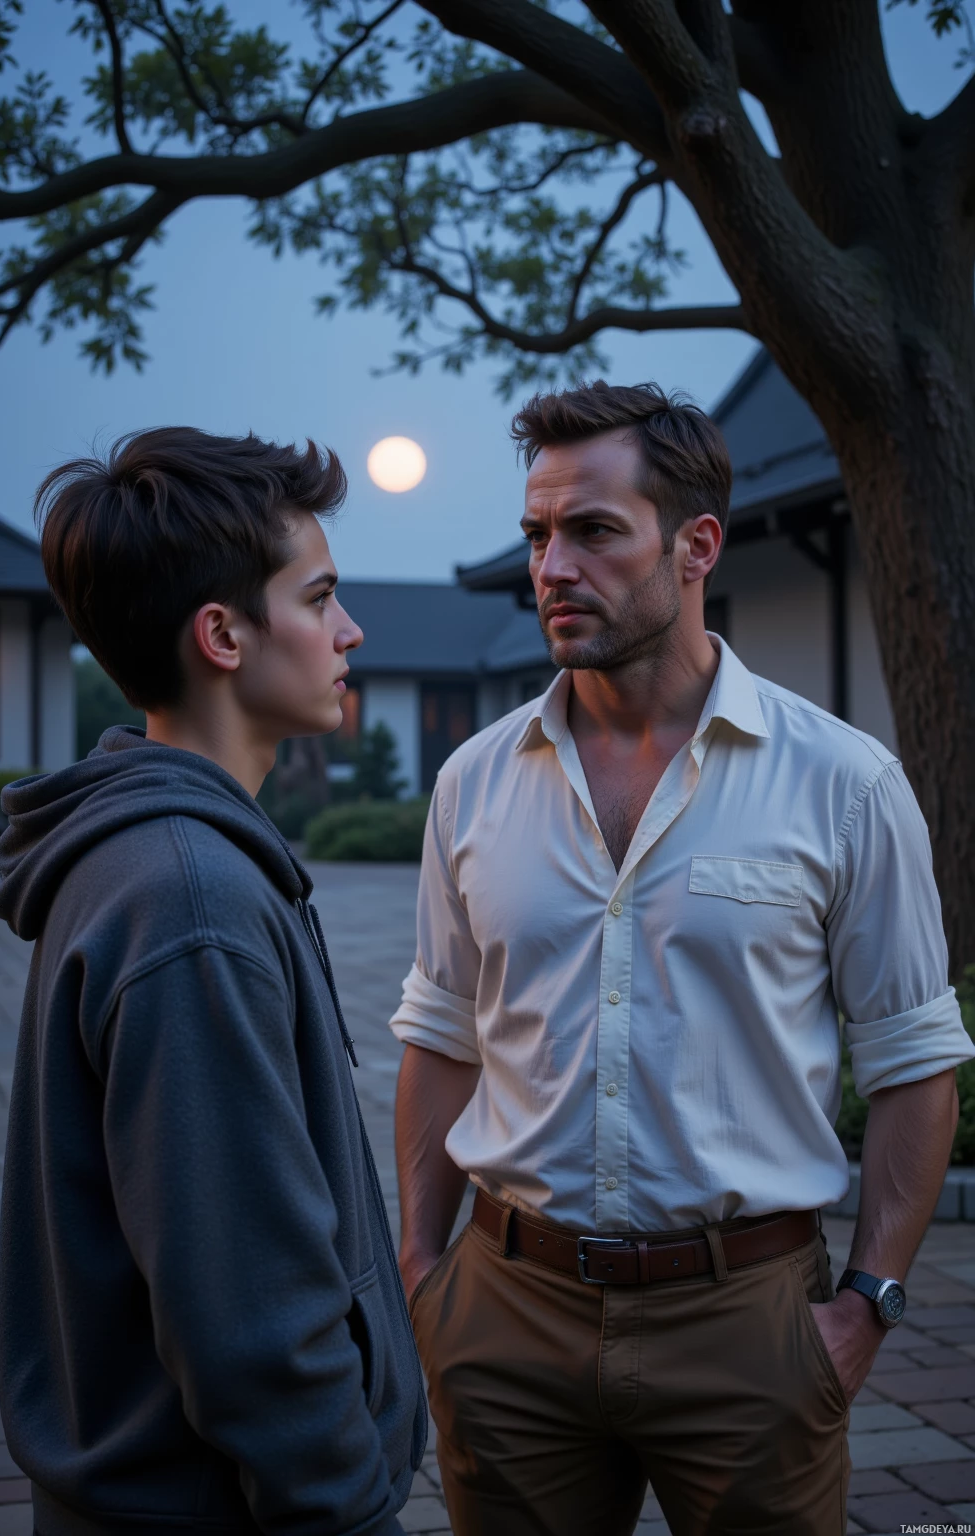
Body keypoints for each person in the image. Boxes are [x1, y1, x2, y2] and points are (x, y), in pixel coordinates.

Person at [390, 381, 974, 1536]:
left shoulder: (843, 784)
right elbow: (442, 1033)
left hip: (747, 1320)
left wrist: (866, 1305)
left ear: (695, 544)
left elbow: (912, 1060)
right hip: (505, 1314)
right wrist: (422, 1270)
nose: (552, 566)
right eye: (537, 534)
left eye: (594, 531)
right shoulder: (473, 782)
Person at [0, 428, 426, 1536]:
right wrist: (348, 1511)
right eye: (319, 598)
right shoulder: (191, 898)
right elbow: (251, 1323)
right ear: (223, 633)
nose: (350, 632)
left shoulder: (155, 862)